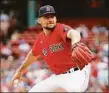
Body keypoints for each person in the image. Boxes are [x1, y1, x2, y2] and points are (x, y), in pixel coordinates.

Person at [11, 5, 94, 92]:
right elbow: (32, 55)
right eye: (46, 17)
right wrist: (20, 71)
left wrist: (75, 44)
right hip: (58, 77)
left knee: (72, 91)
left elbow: (74, 33)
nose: (50, 19)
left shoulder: (59, 28)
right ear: (39, 20)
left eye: (52, 16)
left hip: (77, 75)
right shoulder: (41, 39)